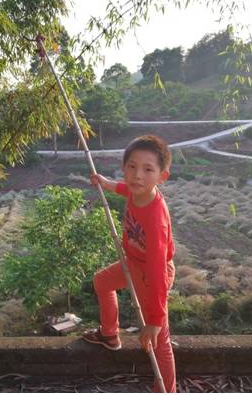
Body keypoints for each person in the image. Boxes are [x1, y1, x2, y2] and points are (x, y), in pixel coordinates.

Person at [83, 134, 176, 393]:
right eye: (132, 167)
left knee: (159, 340)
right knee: (102, 281)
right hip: (133, 264)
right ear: (124, 167)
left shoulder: (156, 218)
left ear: (162, 177)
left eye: (148, 169)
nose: (137, 175)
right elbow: (125, 188)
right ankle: (110, 335)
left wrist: (155, 320)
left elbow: (158, 270)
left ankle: (166, 391)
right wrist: (106, 182)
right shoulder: (137, 192)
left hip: (152, 275)